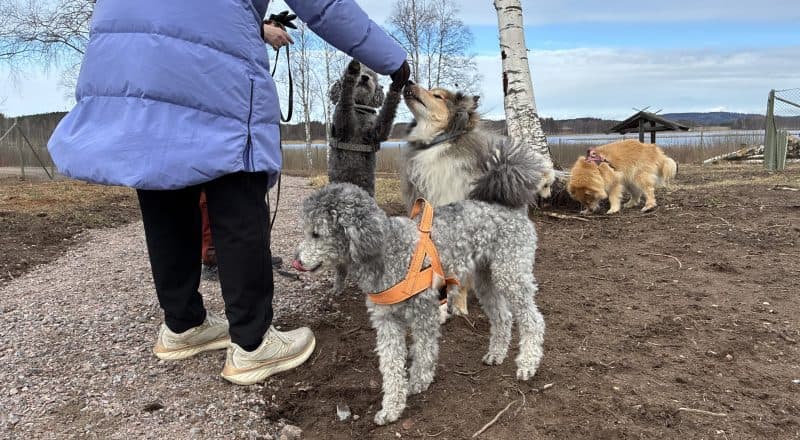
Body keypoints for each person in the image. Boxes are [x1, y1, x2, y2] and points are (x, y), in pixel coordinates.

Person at [48, 0, 410, 385]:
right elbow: (324, 6)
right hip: (208, 70)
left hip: (125, 58)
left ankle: (183, 324)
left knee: (162, 177)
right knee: (237, 184)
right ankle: (252, 344)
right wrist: (392, 60)